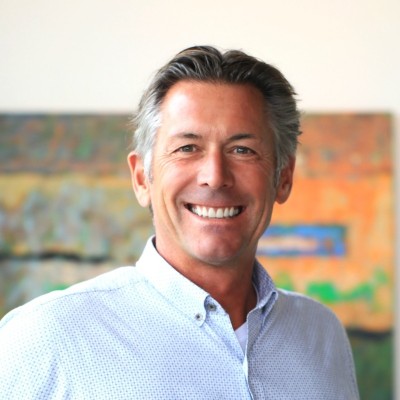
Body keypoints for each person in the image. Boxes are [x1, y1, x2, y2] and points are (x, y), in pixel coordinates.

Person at [0, 46, 359, 399]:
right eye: (187, 148)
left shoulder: (322, 335)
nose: (214, 176)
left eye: (242, 150)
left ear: (284, 177)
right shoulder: (45, 338)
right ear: (141, 178)